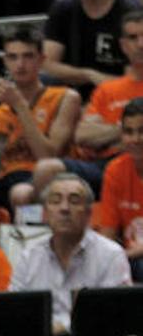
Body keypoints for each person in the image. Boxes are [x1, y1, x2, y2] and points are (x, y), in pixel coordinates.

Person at [33, 10, 143, 200]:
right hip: (106, 165)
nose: (141, 44)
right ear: (123, 45)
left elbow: (95, 135)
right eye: (133, 38)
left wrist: (107, 133)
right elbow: (82, 135)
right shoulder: (108, 90)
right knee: (46, 169)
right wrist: (125, 131)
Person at [13, 172, 130, 336]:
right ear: (45, 213)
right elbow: (15, 311)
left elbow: (116, 315)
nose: (64, 208)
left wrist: (61, 328)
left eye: (74, 201)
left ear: (89, 213)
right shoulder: (28, 256)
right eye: (55, 201)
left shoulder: (111, 255)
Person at [0, 26, 81, 212]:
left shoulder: (65, 97)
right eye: (13, 57)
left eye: (28, 56)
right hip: (8, 178)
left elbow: (47, 156)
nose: (20, 65)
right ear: (5, 61)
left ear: (41, 60)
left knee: (20, 194)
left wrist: (20, 106)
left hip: (43, 177)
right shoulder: (0, 110)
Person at [42, 0, 140, 96]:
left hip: (120, 100)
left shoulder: (131, 12)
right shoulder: (62, 9)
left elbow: (134, 80)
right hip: (74, 101)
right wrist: (89, 75)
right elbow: (47, 65)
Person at [91, 99, 143, 283]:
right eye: (129, 132)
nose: (136, 139)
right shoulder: (115, 170)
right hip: (129, 258)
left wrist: (122, 256)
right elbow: (108, 234)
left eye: (141, 131)